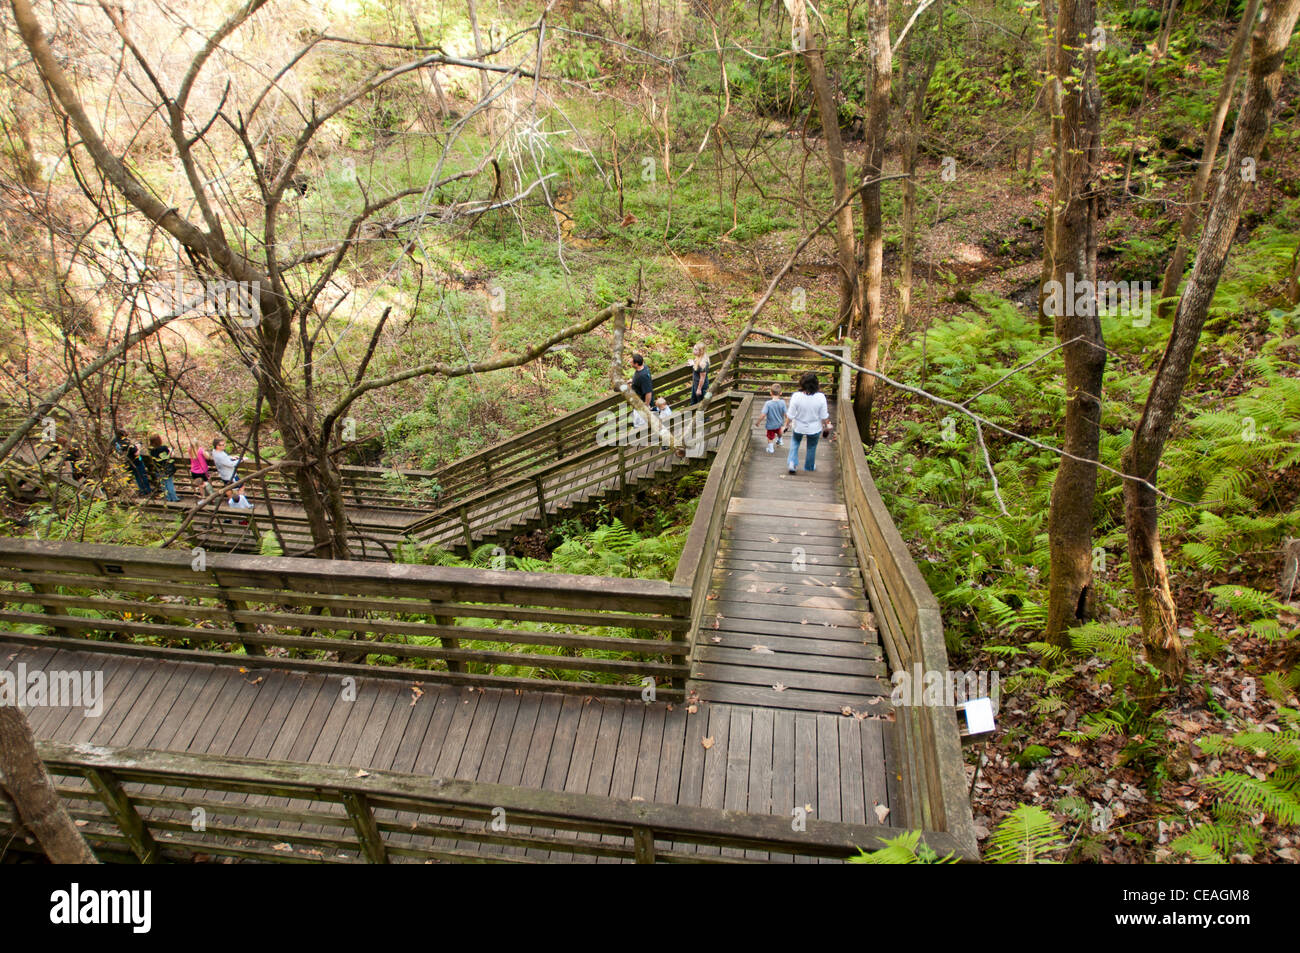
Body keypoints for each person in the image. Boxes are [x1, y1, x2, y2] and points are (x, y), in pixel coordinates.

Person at [785, 372, 831, 475]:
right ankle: (809, 466)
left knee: (795, 442)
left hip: (799, 426)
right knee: (811, 447)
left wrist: (786, 425)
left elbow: (790, 415)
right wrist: (828, 425)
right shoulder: (821, 397)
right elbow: (824, 415)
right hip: (814, 428)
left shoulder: (796, 396)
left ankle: (792, 462)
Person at [113, 429, 151, 496]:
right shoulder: (126, 442)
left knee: (136, 476)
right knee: (141, 475)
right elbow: (136, 453)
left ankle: (142, 490)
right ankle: (146, 490)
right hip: (135, 461)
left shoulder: (115, 441)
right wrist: (138, 446)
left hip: (126, 462)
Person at [755, 384, 788, 454]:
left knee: (770, 437)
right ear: (781, 393)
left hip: (771, 426)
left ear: (770, 393)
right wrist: (787, 423)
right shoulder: (782, 402)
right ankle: (780, 440)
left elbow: (763, 415)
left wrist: (758, 422)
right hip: (780, 424)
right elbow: (786, 414)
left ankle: (771, 449)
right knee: (779, 432)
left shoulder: (768, 404)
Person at [148, 435, 180, 502]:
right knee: (169, 483)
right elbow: (171, 455)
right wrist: (171, 450)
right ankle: (174, 498)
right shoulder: (163, 448)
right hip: (166, 469)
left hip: (158, 469)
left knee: (163, 485)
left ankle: (168, 498)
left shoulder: (151, 450)